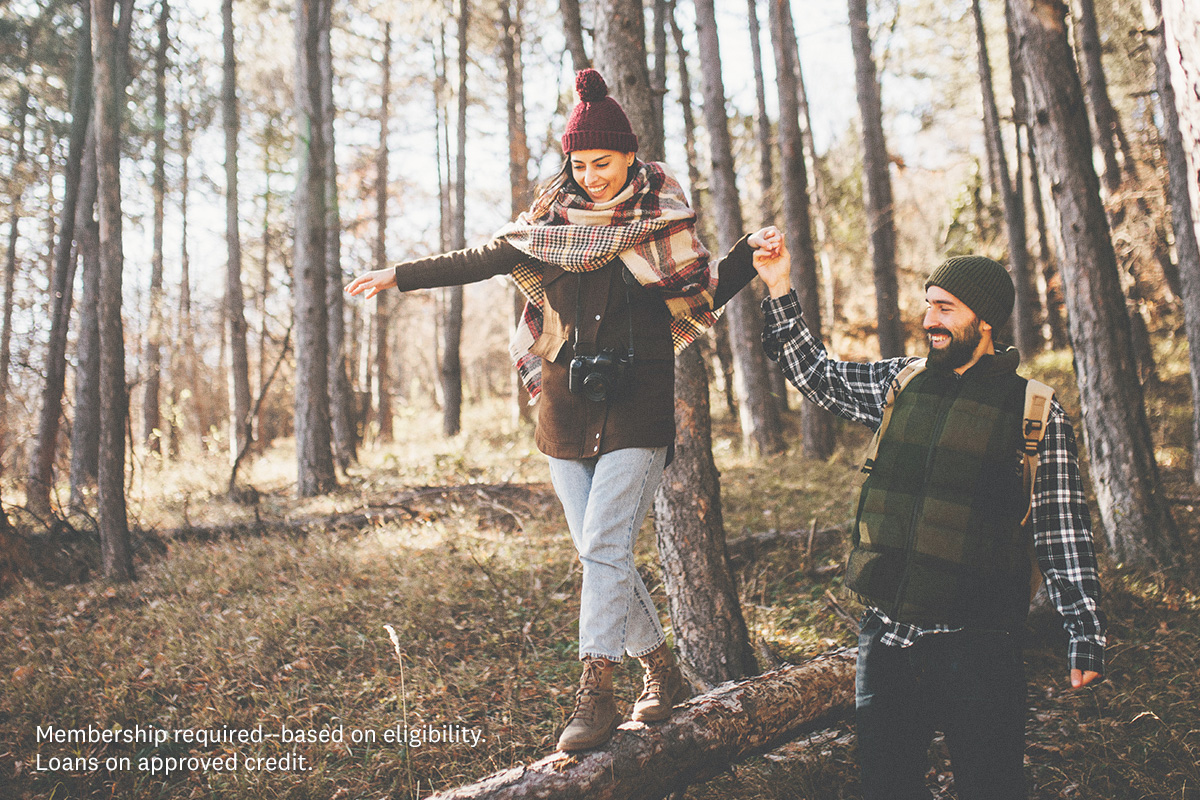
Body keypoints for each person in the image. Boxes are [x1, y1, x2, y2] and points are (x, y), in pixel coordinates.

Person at [347, 68, 774, 752]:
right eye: (580, 164)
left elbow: (702, 290)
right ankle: (662, 670)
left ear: (632, 157)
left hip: (638, 410)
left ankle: (597, 693)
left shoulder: (660, 222)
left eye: (602, 163)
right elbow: (478, 258)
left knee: (604, 546)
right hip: (564, 412)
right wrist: (398, 275)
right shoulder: (550, 225)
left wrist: (748, 256)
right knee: (598, 551)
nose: (591, 176)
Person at [749, 238, 1106, 799]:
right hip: (887, 641)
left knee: (992, 788)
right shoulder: (902, 383)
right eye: (928, 304)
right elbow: (819, 376)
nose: (928, 320)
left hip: (981, 648)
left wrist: (1083, 632)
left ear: (984, 321)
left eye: (945, 308)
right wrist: (777, 286)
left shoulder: (1034, 410)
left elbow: (1063, 531)